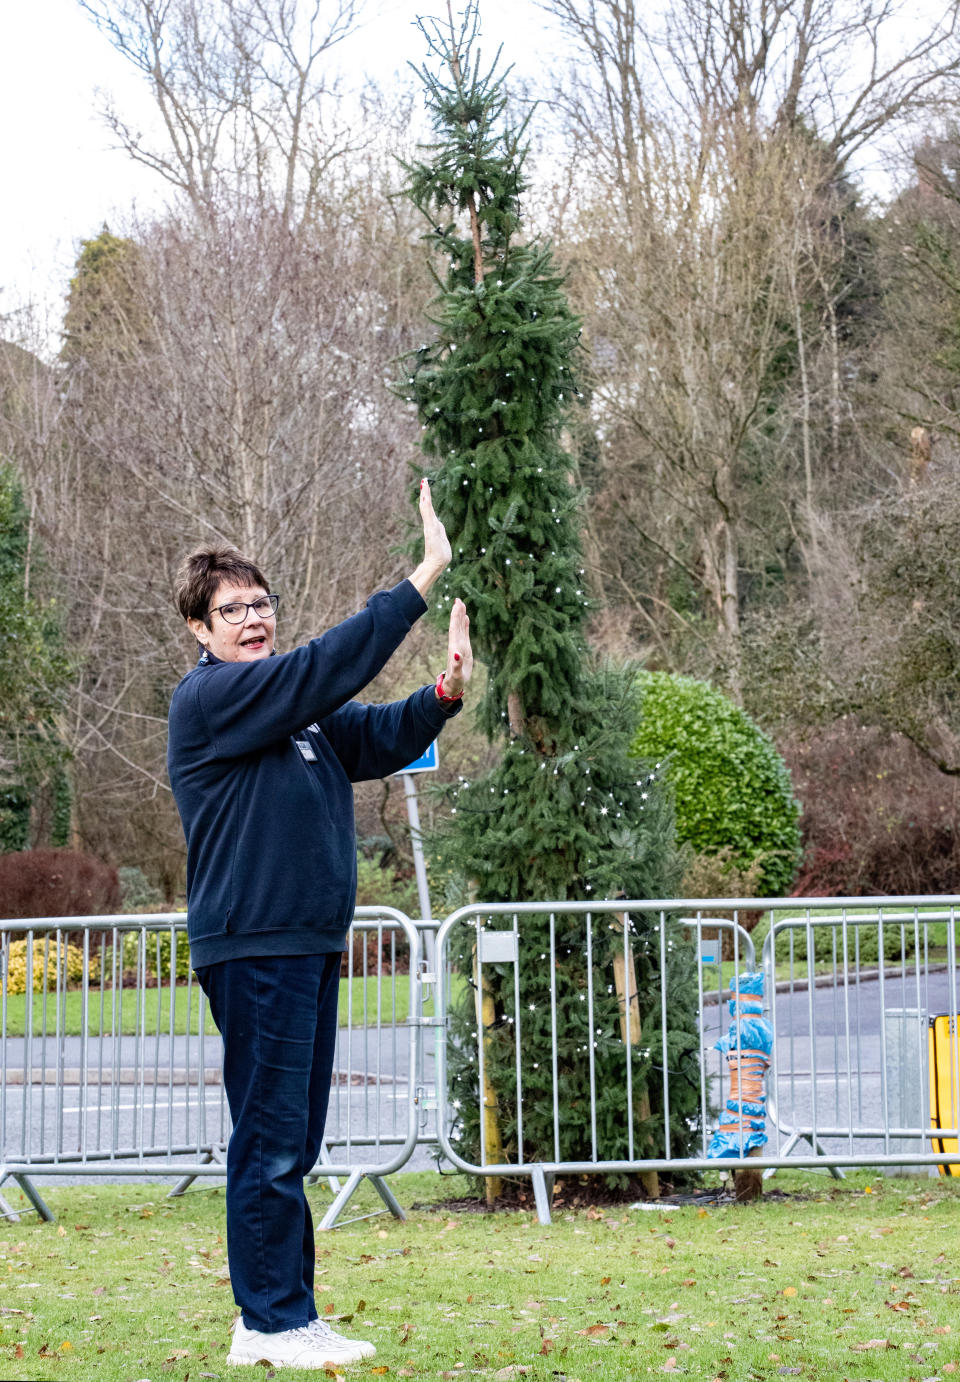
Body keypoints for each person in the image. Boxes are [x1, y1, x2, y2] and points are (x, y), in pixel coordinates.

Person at [167, 479, 472, 1370]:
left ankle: (285, 1314)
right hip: (255, 945)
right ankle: (266, 1323)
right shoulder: (215, 700)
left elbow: (374, 735)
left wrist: (444, 695)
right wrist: (421, 579)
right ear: (200, 629)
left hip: (305, 944)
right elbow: (325, 668)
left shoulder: (293, 714)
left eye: (261, 604)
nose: (253, 620)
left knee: (290, 1140)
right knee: (269, 1140)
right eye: (233, 610)